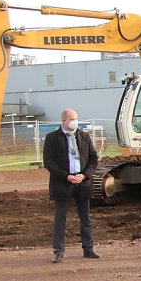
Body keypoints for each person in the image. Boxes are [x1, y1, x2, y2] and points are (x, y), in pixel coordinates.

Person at [43, 108, 100, 264]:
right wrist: (66, 176)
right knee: (60, 219)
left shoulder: (84, 137)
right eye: (72, 119)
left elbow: (94, 159)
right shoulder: (52, 138)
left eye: (76, 118)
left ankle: (88, 248)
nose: (75, 121)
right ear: (64, 121)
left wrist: (85, 175)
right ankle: (58, 251)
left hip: (82, 183)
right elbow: (49, 162)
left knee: (85, 218)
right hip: (62, 183)